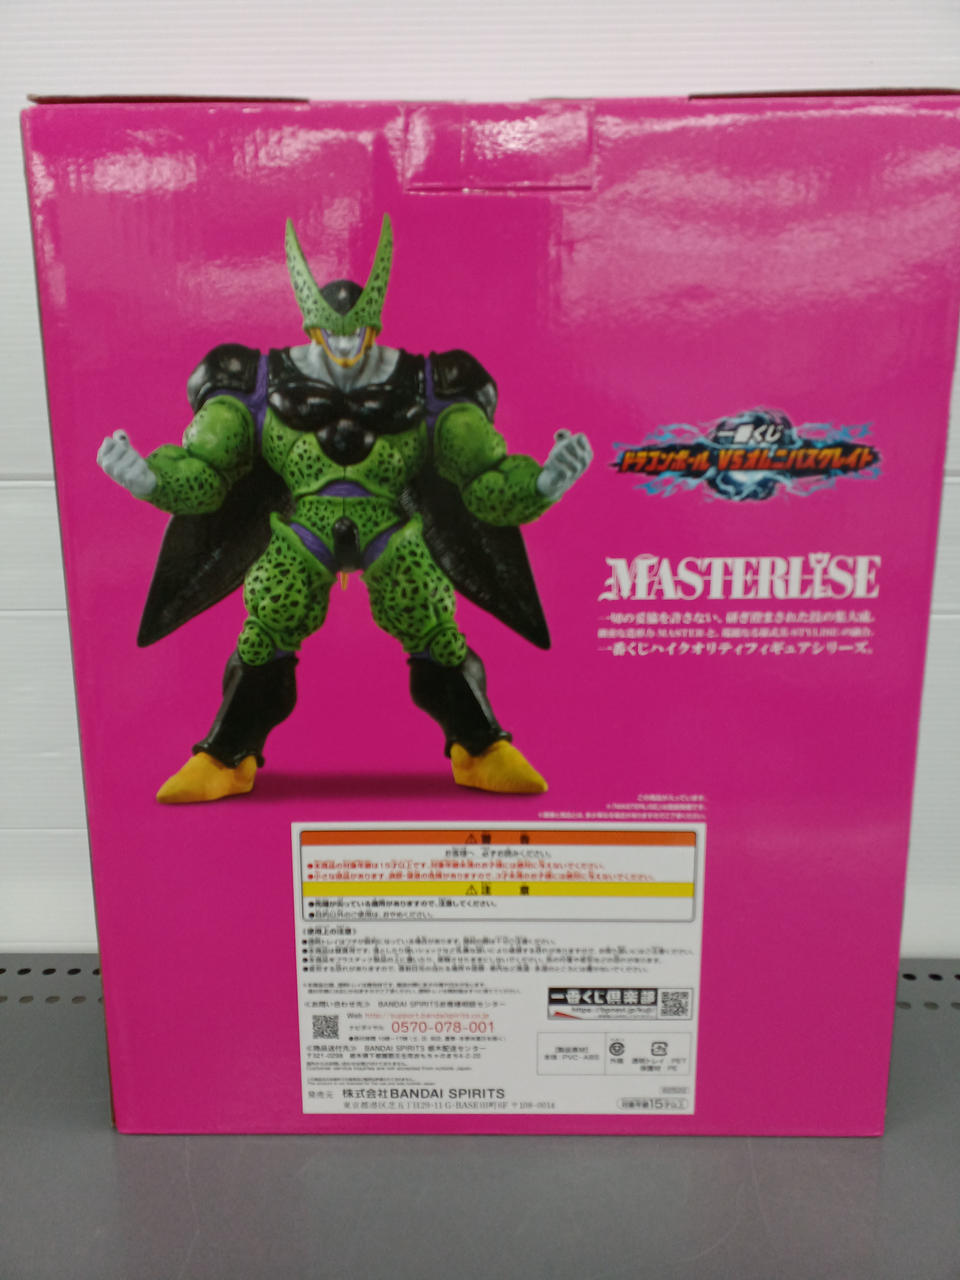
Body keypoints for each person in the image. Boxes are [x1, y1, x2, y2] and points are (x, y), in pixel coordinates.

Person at [98, 214, 591, 802]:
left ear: (373, 324)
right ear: (311, 324)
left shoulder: (429, 384)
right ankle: (226, 757)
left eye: (357, 331)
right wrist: (150, 479)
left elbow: (480, 476)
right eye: (333, 332)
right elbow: (208, 469)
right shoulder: (255, 382)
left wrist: (544, 482)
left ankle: (479, 747)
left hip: (390, 524)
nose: (345, 341)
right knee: (269, 622)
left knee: (430, 619)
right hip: (302, 525)